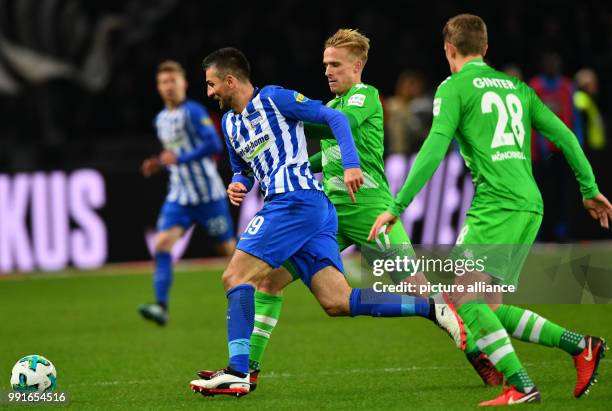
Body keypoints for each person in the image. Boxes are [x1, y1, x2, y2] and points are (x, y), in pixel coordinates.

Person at [202, 29, 493, 394]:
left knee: (423, 295)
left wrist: (320, 138)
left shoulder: (364, 97)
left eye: (335, 64)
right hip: (331, 213)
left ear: (357, 66)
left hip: (371, 212)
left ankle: (482, 354)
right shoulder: (329, 106)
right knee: (271, 283)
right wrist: (284, 162)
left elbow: (344, 128)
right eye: (325, 64)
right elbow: (324, 153)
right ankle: (250, 368)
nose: (328, 71)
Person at [369, 14, 612, 406]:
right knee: (489, 307)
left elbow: (434, 148)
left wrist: (398, 205)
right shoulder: (517, 88)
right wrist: (590, 189)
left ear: (449, 50)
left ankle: (521, 384)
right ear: (485, 49)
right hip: (529, 205)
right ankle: (581, 346)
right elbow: (565, 134)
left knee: (462, 299)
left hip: (496, 205)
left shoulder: (453, 88)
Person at [138, 60, 236, 326]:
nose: (169, 87)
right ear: (159, 88)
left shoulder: (193, 112)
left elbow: (213, 144)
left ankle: (256, 295)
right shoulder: (160, 120)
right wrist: (158, 163)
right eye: (164, 82)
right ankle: (161, 306)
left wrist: (179, 158)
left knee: (229, 251)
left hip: (208, 196)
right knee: (161, 245)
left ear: (184, 84)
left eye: (173, 81)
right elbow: (174, 153)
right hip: (179, 197)